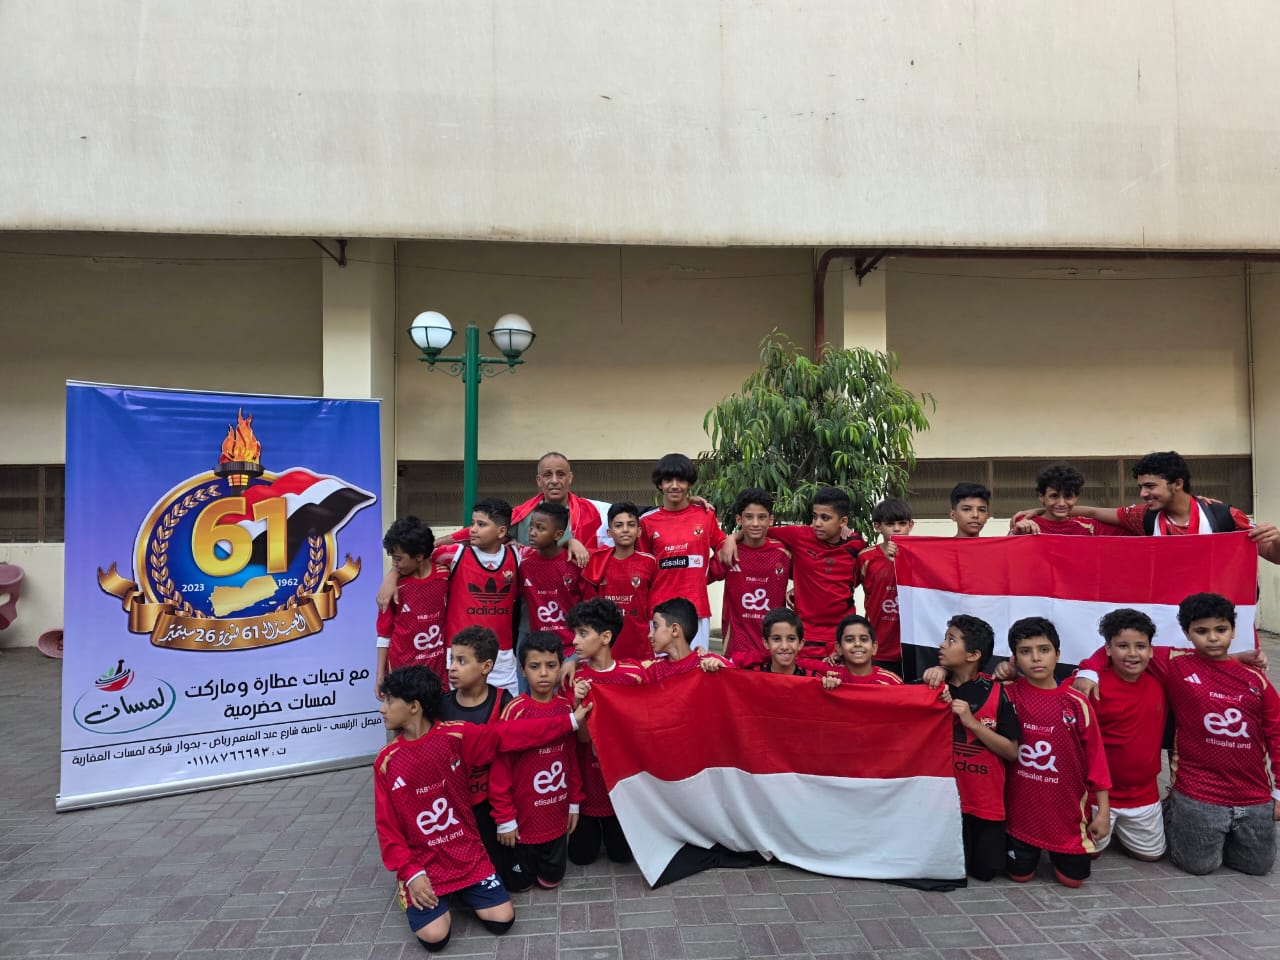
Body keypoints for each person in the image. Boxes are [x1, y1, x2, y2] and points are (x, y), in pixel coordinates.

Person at [373, 666, 590, 952]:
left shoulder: (455, 736)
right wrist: (411, 872)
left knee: (503, 919)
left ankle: (463, 889)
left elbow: (510, 734)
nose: (382, 709)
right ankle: (409, 889)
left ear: (414, 707)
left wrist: (570, 721)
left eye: (389, 701)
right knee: (435, 937)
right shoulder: (386, 761)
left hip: (467, 854)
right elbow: (387, 828)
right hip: (423, 862)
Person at [1078, 594, 1280, 876]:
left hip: (1252, 792)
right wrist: (1088, 671)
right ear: (1186, 633)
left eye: (1221, 630)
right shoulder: (1175, 664)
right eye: (1201, 631)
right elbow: (1119, 645)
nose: (1212, 638)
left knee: (1257, 867)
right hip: (1199, 789)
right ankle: (1173, 811)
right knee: (1198, 866)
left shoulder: (1255, 679)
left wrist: (1278, 792)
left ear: (1234, 630)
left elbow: (1276, 733)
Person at [1002, 617, 1110, 888]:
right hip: (1019, 819)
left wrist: (1103, 812)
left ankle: (1074, 847)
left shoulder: (1076, 703)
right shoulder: (1007, 695)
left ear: (1058, 654)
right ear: (1015, 659)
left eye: (1044, 649)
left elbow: (1097, 760)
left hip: (1066, 818)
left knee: (1073, 881)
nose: (1036, 658)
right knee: (1019, 876)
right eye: (1025, 651)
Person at [1021, 451, 1280, 562]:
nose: (1143, 493)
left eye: (1150, 486)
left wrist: (1277, 539)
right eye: (1141, 487)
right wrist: (1041, 511)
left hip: (1217, 623)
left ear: (1177, 484)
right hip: (1167, 615)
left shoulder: (1222, 515)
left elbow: (1274, 556)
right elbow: (1094, 512)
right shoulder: (1142, 516)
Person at [925, 615, 1020, 881]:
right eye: (945, 638)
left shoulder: (997, 692)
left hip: (984, 806)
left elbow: (1011, 752)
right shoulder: (932, 686)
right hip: (942, 805)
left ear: (973, 654)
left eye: (951, 640)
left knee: (985, 872)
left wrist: (971, 723)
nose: (942, 645)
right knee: (943, 869)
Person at [490, 632, 583, 892]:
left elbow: (572, 758)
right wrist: (505, 819)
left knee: (551, 881)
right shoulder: (515, 710)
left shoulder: (566, 708)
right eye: (534, 666)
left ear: (560, 667)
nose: (543, 673)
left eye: (551, 665)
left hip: (556, 819)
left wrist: (574, 802)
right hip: (522, 826)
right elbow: (500, 769)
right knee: (518, 884)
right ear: (522, 670)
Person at [729, 486, 865, 659]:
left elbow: (859, 577)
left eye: (825, 518)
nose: (817, 523)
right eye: (815, 516)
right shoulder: (799, 536)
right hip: (807, 637)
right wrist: (732, 538)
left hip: (843, 635)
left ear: (843, 521)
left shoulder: (856, 545)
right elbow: (759, 529)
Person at [565, 598, 647, 866]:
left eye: (582, 633)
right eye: (574, 633)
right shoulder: (574, 679)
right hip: (588, 789)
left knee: (622, 857)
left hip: (623, 790)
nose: (574, 640)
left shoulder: (634, 674)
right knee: (581, 858)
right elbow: (583, 738)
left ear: (606, 637)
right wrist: (578, 703)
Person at [439, 626, 513, 868]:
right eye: (452, 659)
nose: (452, 667)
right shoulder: (441, 706)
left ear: (486, 666)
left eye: (462, 661)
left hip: (491, 806)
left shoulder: (504, 702)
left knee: (508, 873)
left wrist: (507, 816)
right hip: (453, 807)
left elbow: (511, 760)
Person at [638, 453, 726, 650]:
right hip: (659, 611)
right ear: (660, 484)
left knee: (696, 666)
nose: (675, 486)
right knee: (661, 667)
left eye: (681, 480)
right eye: (668, 480)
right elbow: (642, 569)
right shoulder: (646, 521)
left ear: (689, 483)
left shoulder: (705, 515)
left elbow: (723, 548)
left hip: (696, 610)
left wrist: (705, 576)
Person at [435, 498, 522, 695]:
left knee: (506, 710)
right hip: (461, 653)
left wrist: (571, 542)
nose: (472, 529)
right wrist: (392, 576)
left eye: (481, 525)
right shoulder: (454, 554)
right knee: (463, 708)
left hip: (502, 654)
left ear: (501, 531)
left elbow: (549, 548)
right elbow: (417, 556)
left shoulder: (517, 555)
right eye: (472, 523)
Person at [707, 489, 791, 662]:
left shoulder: (783, 552)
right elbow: (698, 579)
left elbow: (807, 578)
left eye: (762, 517)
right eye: (749, 517)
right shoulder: (728, 550)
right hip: (735, 647)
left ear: (771, 519)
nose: (755, 523)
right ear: (739, 519)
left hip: (773, 648)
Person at [376, 516, 449, 694]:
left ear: (419, 556)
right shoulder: (392, 588)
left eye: (398, 559)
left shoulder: (445, 575)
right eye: (392, 558)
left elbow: (469, 539)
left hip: (437, 674)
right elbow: (384, 633)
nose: (394, 564)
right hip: (402, 673)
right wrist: (380, 673)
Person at [581, 501, 658, 663]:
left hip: (640, 643)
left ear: (638, 531)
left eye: (631, 525)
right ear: (609, 532)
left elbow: (655, 604)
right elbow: (589, 607)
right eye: (618, 525)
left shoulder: (650, 563)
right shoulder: (597, 562)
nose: (625, 530)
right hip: (605, 644)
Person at [516, 500, 585, 665]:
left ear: (558, 535)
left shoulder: (574, 562)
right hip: (538, 647)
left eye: (540, 528)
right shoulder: (523, 562)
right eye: (531, 527)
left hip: (572, 648)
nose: (532, 532)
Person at [857, 498, 913, 675]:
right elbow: (842, 587)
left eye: (902, 523)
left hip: (914, 647)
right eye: (890, 524)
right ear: (877, 526)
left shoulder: (924, 557)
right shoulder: (866, 558)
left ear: (911, 525)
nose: (896, 529)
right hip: (878, 647)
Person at [1009, 462, 1117, 537]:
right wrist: (1014, 534)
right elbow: (1006, 553)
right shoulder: (1025, 523)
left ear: (1076, 497)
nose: (1061, 503)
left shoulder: (1091, 527)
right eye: (1054, 496)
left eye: (1068, 496)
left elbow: (1127, 526)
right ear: (1041, 496)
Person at [643, 597, 732, 681]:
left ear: (674, 630)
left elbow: (736, 680)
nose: (649, 635)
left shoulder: (710, 663)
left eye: (655, 627)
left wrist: (724, 671)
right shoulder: (652, 668)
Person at [808, 614, 903, 686]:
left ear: (874, 647)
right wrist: (825, 687)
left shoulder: (891, 681)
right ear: (839, 648)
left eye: (864, 639)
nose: (857, 644)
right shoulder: (828, 676)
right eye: (849, 640)